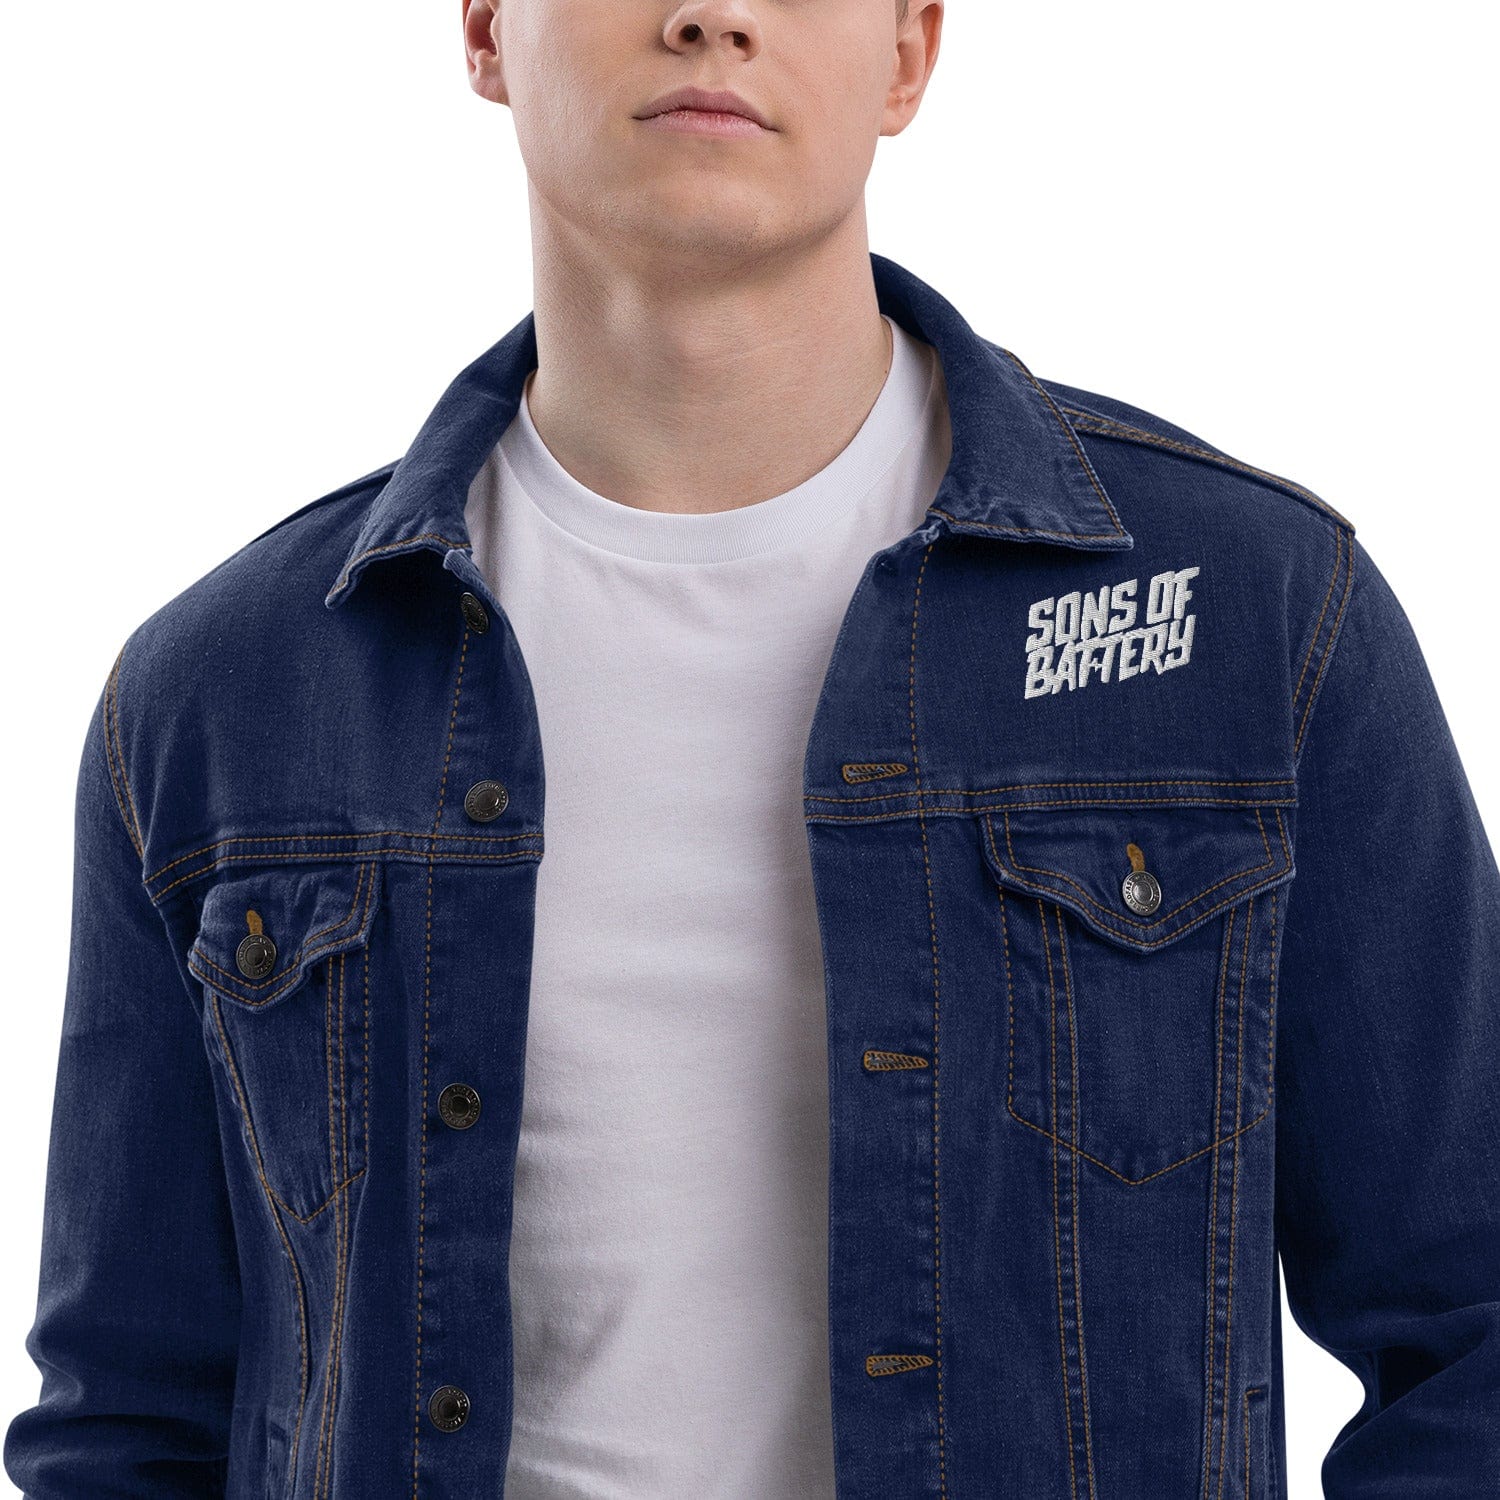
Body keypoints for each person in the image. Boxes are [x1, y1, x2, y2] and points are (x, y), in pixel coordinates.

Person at [6, 0, 1499, 1495]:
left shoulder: (1252, 615)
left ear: (908, 51)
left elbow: (1471, 1331)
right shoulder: (226, 696)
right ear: (485, 30)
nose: (710, 14)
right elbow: (127, 1419)